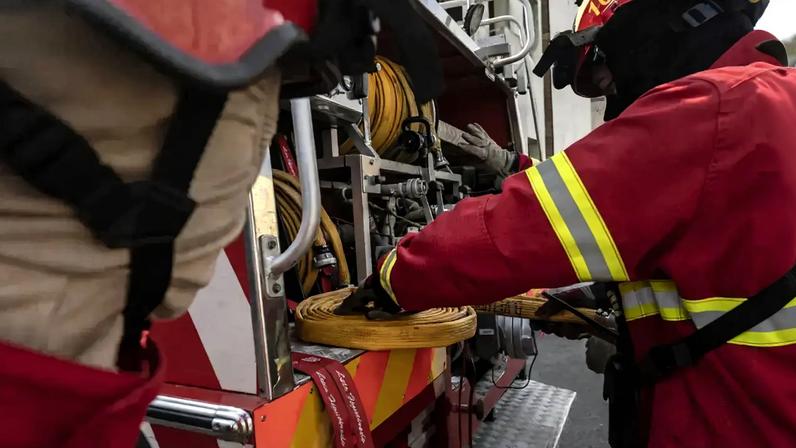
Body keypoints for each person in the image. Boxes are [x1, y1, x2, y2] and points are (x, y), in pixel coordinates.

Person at [343, 0, 796, 446]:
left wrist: (394, 275)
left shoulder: (711, 110)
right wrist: (604, 301)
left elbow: (520, 227)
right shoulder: (771, 99)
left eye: (605, 69)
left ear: (659, 24)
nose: (612, 92)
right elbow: (721, 256)